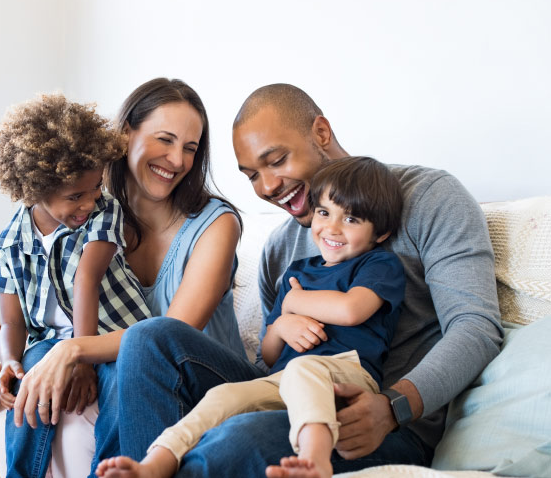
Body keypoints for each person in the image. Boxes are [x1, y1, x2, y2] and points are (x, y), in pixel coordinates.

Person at [110, 83, 504, 476]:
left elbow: (476, 328)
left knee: (235, 440)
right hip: (289, 392)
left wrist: (393, 407)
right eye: (252, 176)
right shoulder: (281, 248)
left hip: (377, 420)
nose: (267, 188)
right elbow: (272, 360)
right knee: (148, 338)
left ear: (320, 133)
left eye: (277, 160)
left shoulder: (429, 198)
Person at [0, 78, 246, 477]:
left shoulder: (215, 225)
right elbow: (40, 311)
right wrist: (13, 368)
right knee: (43, 367)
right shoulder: (87, 212)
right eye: (165, 140)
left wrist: (74, 350)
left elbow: (171, 335)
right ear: (126, 133)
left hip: (202, 377)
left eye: (190, 148)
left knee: (140, 348)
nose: (178, 160)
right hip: (126, 363)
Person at [96, 156, 406, 478]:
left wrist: (295, 301)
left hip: (347, 375)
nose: (332, 228)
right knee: (224, 396)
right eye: (324, 212)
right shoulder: (297, 272)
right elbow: (270, 355)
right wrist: (283, 323)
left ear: (380, 232)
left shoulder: (378, 265)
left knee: (304, 368)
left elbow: (351, 309)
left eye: (351, 219)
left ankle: (316, 460)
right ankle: (156, 462)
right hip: (282, 379)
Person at [0, 93, 153, 478]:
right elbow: (13, 322)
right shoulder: (9, 244)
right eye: (75, 196)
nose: (89, 201)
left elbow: (86, 279)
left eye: (95, 187)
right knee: (31, 379)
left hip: (116, 335)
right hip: (49, 343)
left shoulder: (103, 210)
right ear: (34, 189)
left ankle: (111, 471)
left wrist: (81, 357)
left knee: (119, 385)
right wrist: (11, 360)